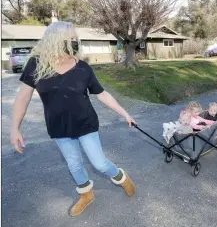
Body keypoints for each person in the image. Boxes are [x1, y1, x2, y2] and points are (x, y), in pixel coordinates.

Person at [10, 21, 137, 216]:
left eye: (75, 40)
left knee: (100, 163)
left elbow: (101, 94)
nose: (74, 43)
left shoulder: (83, 68)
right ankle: (86, 194)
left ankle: (121, 177)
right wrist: (14, 128)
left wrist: (125, 113)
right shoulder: (36, 65)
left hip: (85, 123)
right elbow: (23, 97)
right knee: (74, 163)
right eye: (70, 40)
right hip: (59, 127)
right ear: (55, 40)